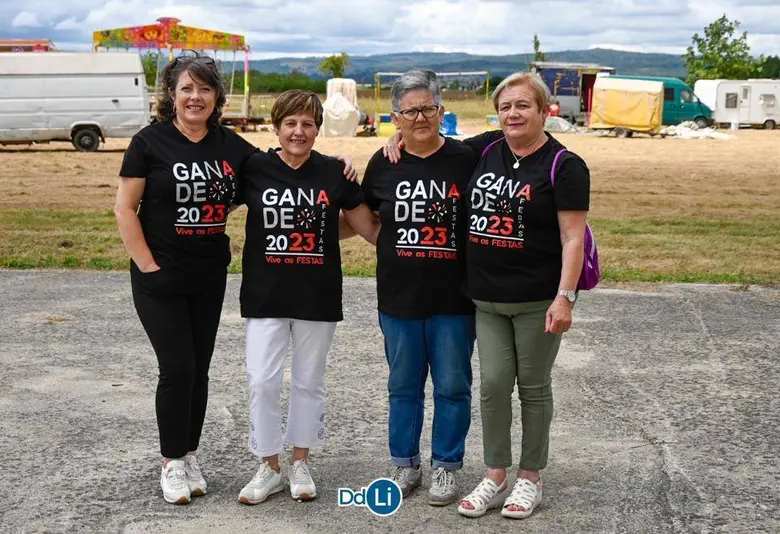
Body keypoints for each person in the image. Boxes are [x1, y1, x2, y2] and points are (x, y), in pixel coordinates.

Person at [115, 53, 355, 506]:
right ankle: (171, 463)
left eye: (204, 89)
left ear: (216, 97)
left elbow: (284, 165)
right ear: (171, 94)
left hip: (207, 274)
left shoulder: (233, 148)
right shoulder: (150, 142)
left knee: (198, 371)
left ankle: (189, 454)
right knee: (178, 367)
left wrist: (335, 164)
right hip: (159, 275)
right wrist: (147, 265)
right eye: (187, 88)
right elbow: (125, 208)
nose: (195, 97)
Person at [383, 71, 590, 520]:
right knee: (494, 387)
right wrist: (394, 142)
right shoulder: (485, 149)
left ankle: (530, 477)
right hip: (487, 300)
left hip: (538, 300)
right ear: (497, 115)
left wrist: (565, 297)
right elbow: (429, 145)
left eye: (524, 105)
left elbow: (573, 238)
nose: (514, 113)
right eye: (506, 106)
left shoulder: (565, 165)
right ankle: (496, 475)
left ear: (544, 110)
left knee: (532, 390)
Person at [236, 90, 379, 505]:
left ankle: (300, 462)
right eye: (290, 123)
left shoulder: (334, 173)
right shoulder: (255, 169)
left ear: (318, 128)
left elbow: (366, 227)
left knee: (308, 381)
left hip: (317, 294)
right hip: (265, 294)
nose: (299, 131)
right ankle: (268, 466)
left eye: (308, 124)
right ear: (276, 126)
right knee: (262, 381)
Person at [346, 70, 477, 506]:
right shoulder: (384, 162)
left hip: (454, 298)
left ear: (441, 111)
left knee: (453, 385)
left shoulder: (467, 158)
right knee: (403, 385)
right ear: (395, 118)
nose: (419, 117)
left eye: (428, 108)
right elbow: (364, 211)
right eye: (409, 111)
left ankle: (446, 465)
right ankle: (405, 463)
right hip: (399, 297)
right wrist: (385, 243)